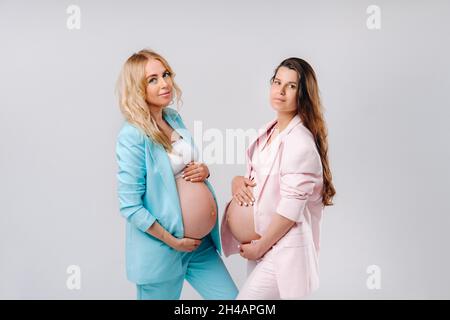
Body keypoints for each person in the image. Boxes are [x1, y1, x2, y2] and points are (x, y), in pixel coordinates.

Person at [115, 49, 238, 300]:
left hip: (198, 246)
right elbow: (130, 206)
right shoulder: (132, 135)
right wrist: (173, 242)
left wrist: (203, 169)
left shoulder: (172, 117)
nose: (165, 83)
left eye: (166, 74)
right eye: (153, 79)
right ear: (138, 88)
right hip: (164, 249)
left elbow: (180, 168)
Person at [221, 57, 336, 299]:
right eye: (277, 82)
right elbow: (259, 183)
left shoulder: (300, 142)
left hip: (283, 250)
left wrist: (261, 246)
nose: (281, 91)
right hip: (263, 244)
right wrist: (237, 181)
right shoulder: (270, 131)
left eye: (291, 86)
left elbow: (290, 210)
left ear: (303, 94)